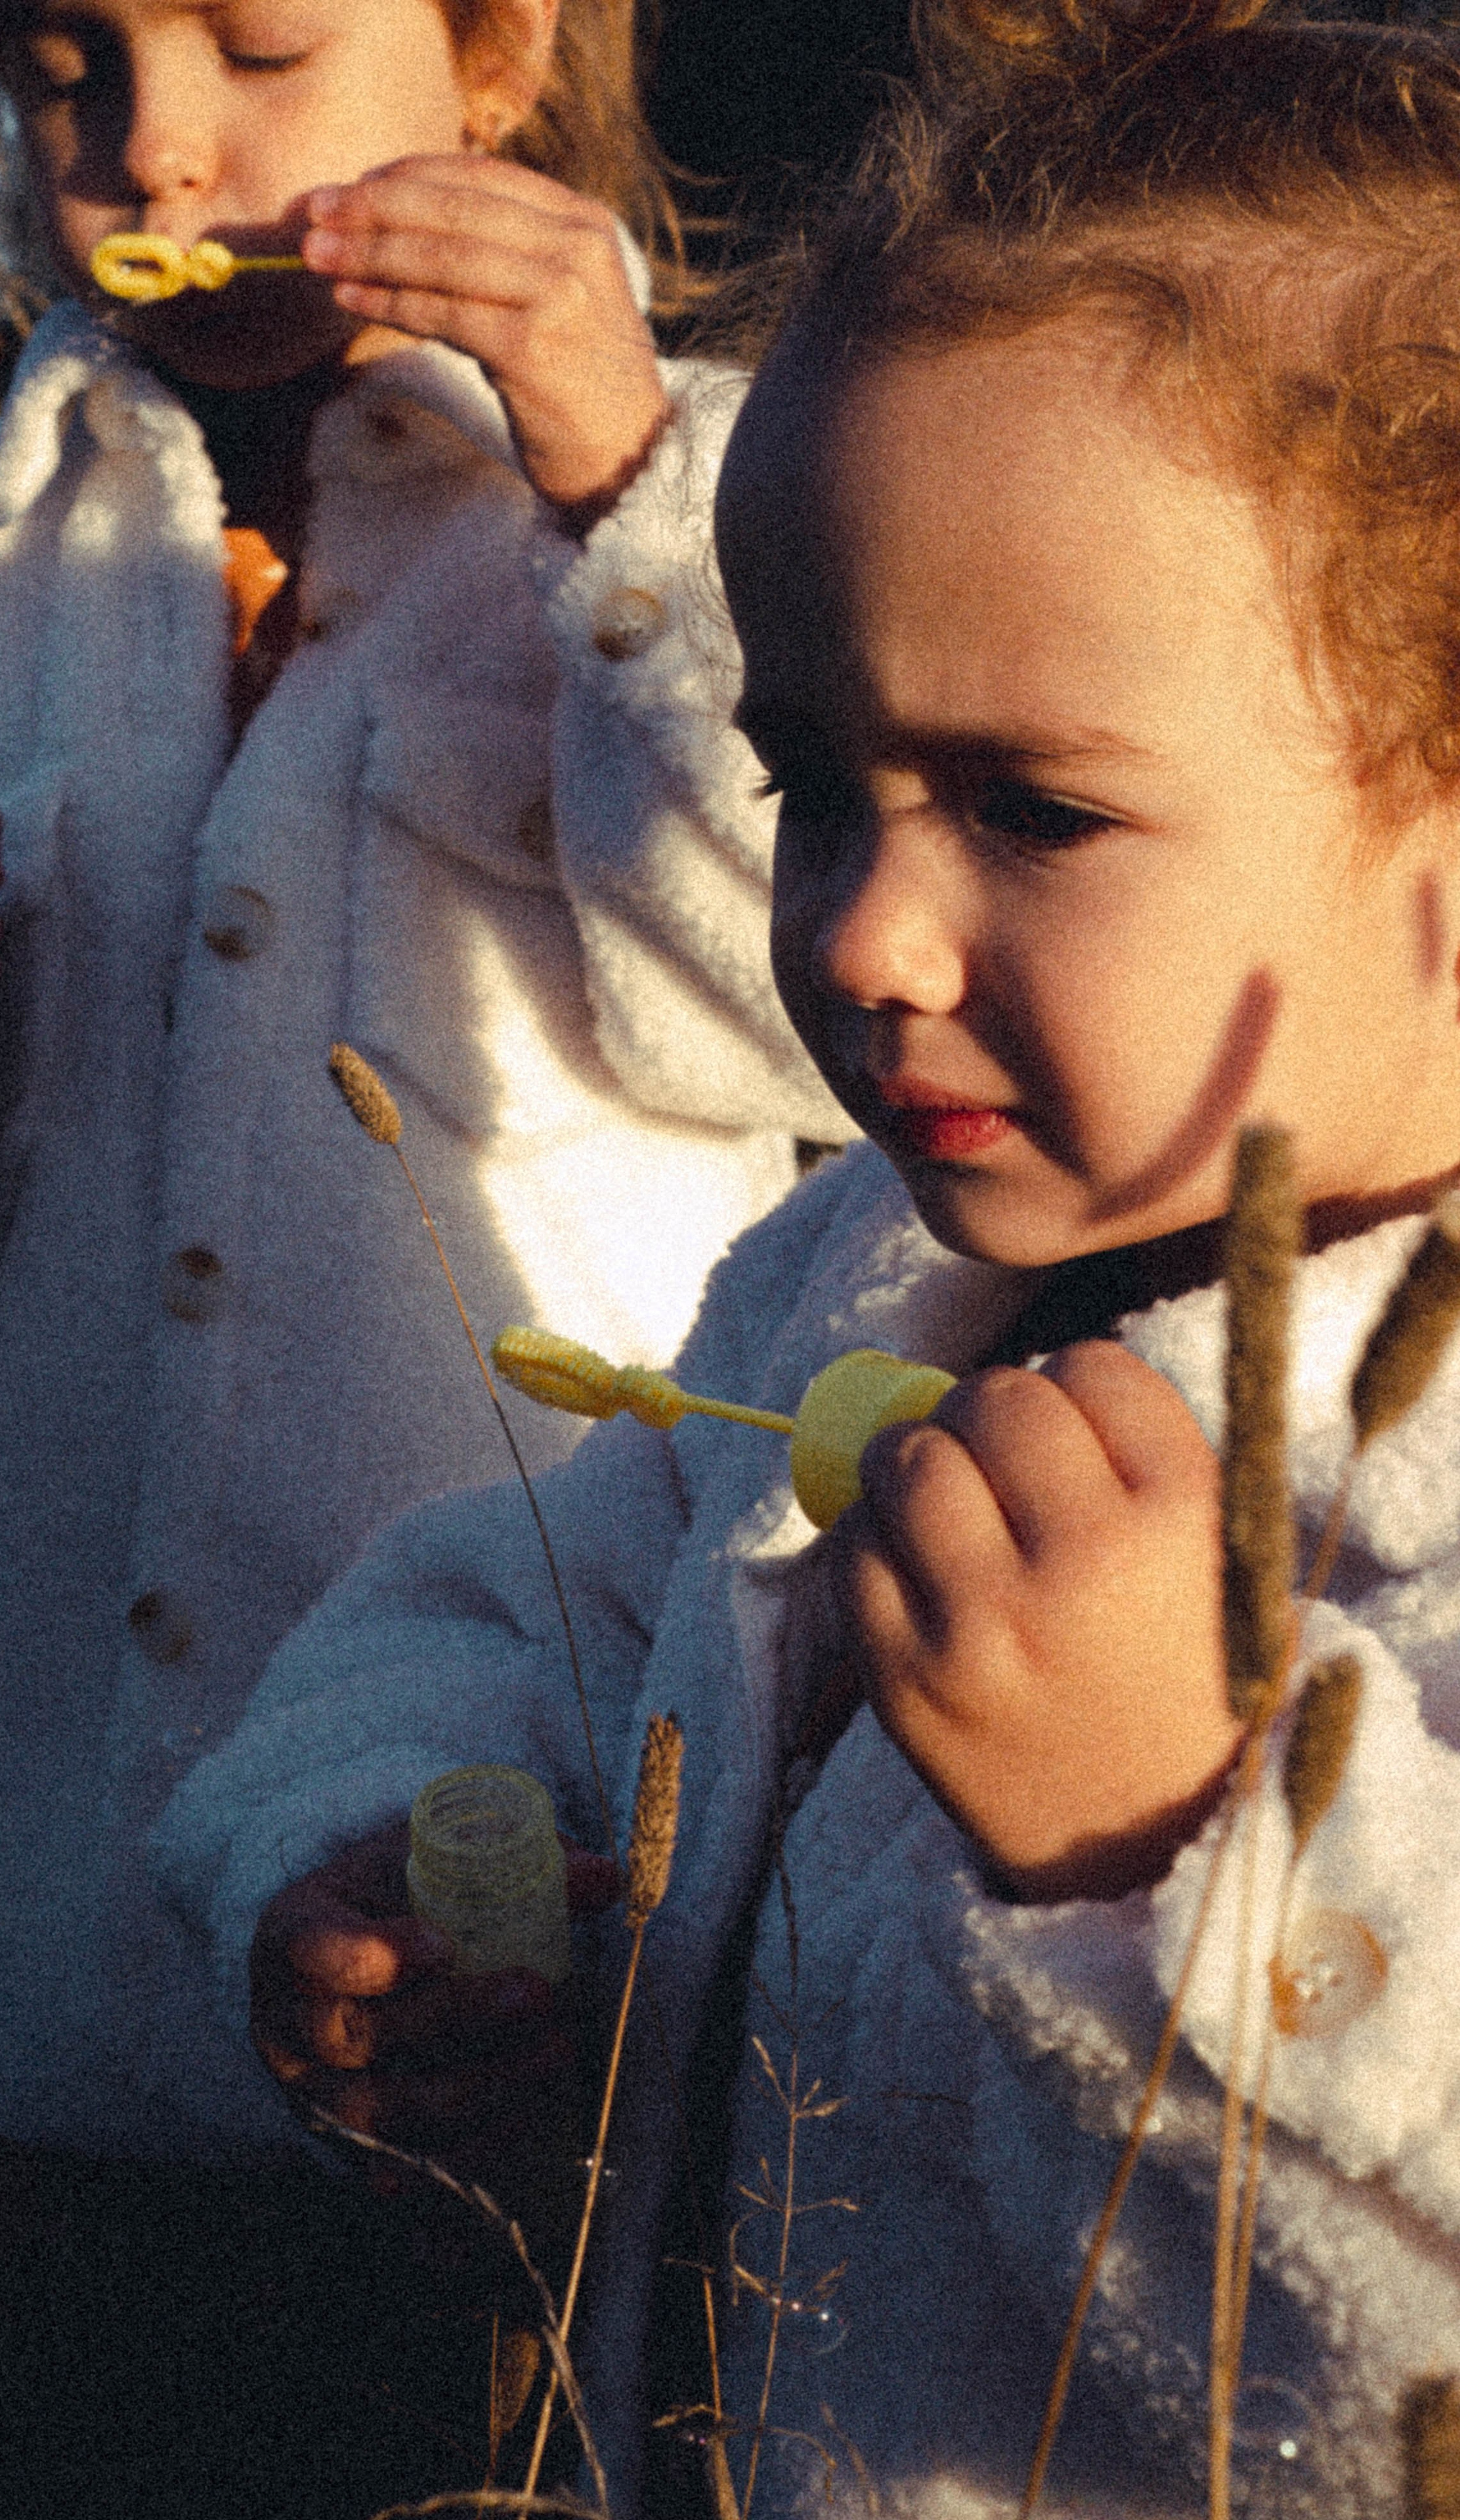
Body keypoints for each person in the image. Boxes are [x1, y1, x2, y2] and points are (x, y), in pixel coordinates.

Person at [160, 2, 1460, 2511]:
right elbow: (527, 1590)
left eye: (1032, 808)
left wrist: (1180, 1862)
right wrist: (404, 1842)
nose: (859, 936)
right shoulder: (863, 1284)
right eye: (807, 784)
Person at [0, 0, 848, 2175]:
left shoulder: (728, 484)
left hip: (528, 1852)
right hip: (54, 1953)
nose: (157, 149)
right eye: (71, 69)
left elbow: (815, 1004)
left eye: (260, 51)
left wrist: (623, 498)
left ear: (496, 56)